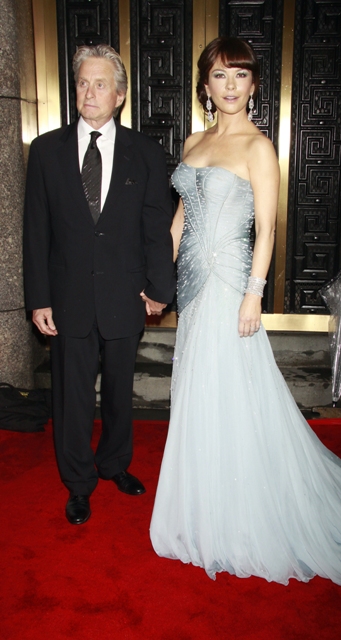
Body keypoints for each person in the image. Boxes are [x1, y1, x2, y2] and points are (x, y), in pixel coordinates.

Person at [149, 37, 341, 587]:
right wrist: (156, 280)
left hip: (230, 287)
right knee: (198, 387)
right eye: (220, 75)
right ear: (205, 85)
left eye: (240, 75)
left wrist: (254, 293)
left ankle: (242, 510)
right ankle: (206, 501)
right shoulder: (193, 142)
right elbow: (180, 220)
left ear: (253, 85)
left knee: (233, 390)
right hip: (192, 289)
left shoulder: (258, 147)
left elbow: (268, 229)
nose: (230, 86)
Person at [23, 45, 175, 525]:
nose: (89, 93)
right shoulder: (45, 151)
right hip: (66, 297)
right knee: (70, 397)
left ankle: (114, 464)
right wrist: (38, 298)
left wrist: (161, 287)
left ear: (120, 95)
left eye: (101, 84)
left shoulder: (145, 152)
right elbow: (35, 231)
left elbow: (156, 226)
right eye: (83, 83)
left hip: (125, 294)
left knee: (118, 391)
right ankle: (78, 482)